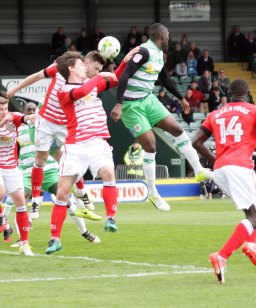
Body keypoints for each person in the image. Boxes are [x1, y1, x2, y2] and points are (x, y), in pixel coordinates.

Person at [6, 50, 131, 215]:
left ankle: (81, 192)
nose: (98, 73)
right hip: (46, 121)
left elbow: (112, 80)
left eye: (100, 71)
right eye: (97, 69)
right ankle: (36, 201)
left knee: (72, 157)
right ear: (85, 64)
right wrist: (14, 89)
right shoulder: (61, 68)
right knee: (41, 159)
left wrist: (124, 62)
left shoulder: (87, 82)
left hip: (66, 124)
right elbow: (37, 76)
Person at [111, 23, 213, 211]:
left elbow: (164, 78)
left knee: (178, 129)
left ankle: (198, 170)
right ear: (162, 35)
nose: (169, 38)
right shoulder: (144, 51)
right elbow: (124, 76)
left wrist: (181, 98)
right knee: (150, 145)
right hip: (131, 105)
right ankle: (153, 192)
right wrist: (118, 103)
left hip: (148, 100)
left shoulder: (158, 54)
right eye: (168, 35)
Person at [44, 52, 121, 255]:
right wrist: (99, 76)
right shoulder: (64, 90)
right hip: (76, 146)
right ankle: (55, 239)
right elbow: (83, 90)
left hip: (97, 142)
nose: (84, 67)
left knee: (108, 173)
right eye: (80, 64)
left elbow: (114, 79)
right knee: (62, 192)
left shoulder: (92, 84)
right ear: (71, 68)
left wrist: (128, 60)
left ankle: (111, 218)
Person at [192, 79, 256, 284]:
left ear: (228, 94)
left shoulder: (215, 114)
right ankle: (224, 255)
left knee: (252, 212)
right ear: (247, 94)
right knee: (253, 215)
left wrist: (215, 159)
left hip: (220, 169)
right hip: (240, 166)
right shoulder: (252, 110)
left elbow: (196, 141)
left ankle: (250, 244)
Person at [9, 102, 101, 243]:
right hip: (27, 172)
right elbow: (15, 151)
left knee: (66, 201)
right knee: (21, 200)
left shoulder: (46, 125)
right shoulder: (19, 128)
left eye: (34, 110)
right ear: (24, 111)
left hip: (50, 170)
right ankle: (22, 239)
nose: (32, 112)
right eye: (29, 110)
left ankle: (85, 232)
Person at [0, 96, 36, 256]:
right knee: (0, 193)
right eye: (1, 109)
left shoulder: (13, 117)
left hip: (11, 166)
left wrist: (33, 117)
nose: (4, 112)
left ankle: (24, 243)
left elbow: (25, 117)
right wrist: (1, 124)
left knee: (21, 201)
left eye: (6, 108)